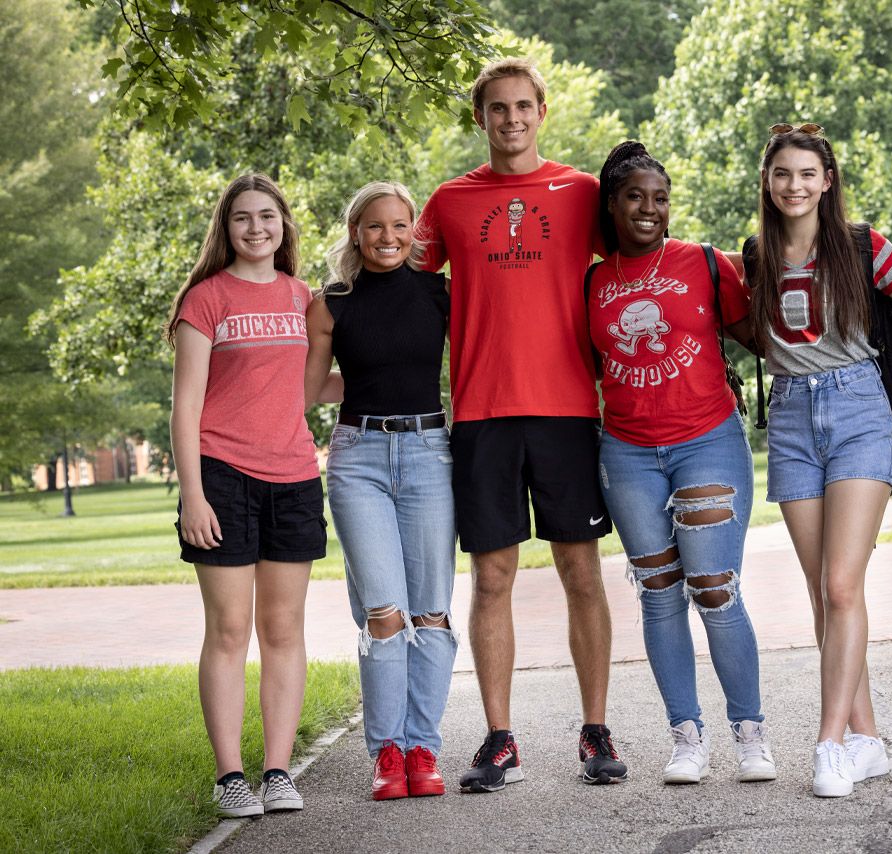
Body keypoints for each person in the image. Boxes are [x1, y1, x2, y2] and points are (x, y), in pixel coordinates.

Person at [413, 57, 628, 791]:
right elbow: (393, 273)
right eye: (497, 108)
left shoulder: (583, 194)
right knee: (492, 577)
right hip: (481, 413)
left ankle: (596, 729)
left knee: (581, 571)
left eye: (522, 106)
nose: (511, 119)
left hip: (569, 409)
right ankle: (500, 737)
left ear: (542, 110)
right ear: (481, 118)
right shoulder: (447, 201)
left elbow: (638, 255)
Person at [749, 125, 892, 797]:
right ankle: (868, 739)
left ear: (826, 180)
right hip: (793, 418)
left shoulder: (864, 247)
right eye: (782, 174)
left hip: (859, 408)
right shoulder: (757, 257)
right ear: (768, 183)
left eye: (807, 173)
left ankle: (830, 743)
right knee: (823, 593)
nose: (794, 185)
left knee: (840, 586)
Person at [587, 141, 776, 785]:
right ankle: (685, 736)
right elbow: (588, 369)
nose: (649, 208)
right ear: (612, 205)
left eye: (660, 198)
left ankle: (750, 734)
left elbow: (762, 334)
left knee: (715, 588)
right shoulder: (591, 280)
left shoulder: (703, 263)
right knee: (659, 592)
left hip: (706, 440)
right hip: (629, 452)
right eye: (635, 197)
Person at [167, 173, 326, 817]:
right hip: (223, 475)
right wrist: (193, 495)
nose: (257, 228)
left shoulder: (304, 298)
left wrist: (396, 380)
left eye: (268, 216)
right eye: (243, 218)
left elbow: (312, 385)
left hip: (294, 477)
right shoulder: (206, 299)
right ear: (225, 228)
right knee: (231, 630)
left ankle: (279, 772)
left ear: (284, 224)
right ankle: (230, 775)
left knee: (284, 629)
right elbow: (185, 406)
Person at [303, 181, 456, 801]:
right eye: (374, 226)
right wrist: (370, 386)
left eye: (400, 226)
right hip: (358, 457)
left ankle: (423, 745)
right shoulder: (330, 302)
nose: (388, 237)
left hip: (428, 452)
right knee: (384, 612)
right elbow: (313, 389)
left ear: (415, 230)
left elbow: (468, 367)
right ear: (354, 232)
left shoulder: (441, 292)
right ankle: (387, 752)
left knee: (432, 610)